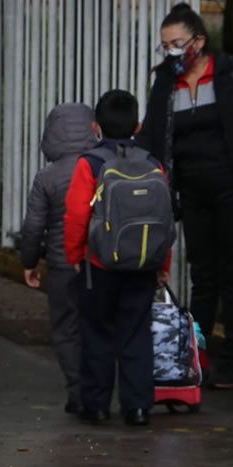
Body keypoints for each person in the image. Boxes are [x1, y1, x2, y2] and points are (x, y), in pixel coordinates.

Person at [136, 3, 233, 389]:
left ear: (199, 40)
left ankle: (232, 357)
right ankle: (196, 356)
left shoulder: (232, 73)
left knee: (232, 274)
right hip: (190, 193)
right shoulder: (166, 81)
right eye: (165, 46)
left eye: (178, 43)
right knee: (202, 275)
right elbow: (153, 133)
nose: (172, 52)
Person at [64, 90, 174, 427]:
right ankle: (138, 407)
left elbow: (77, 215)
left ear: (96, 127)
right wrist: (162, 265)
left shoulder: (90, 163)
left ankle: (96, 405)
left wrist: (75, 254)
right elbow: (163, 219)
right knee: (135, 333)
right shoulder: (153, 164)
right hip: (143, 264)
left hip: (99, 265)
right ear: (138, 126)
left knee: (96, 332)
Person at [19, 103, 97, 415]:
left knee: (66, 327)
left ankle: (78, 392)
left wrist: (29, 261)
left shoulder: (46, 177)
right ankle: (100, 390)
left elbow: (34, 226)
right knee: (97, 324)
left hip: (63, 263)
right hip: (99, 263)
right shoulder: (101, 167)